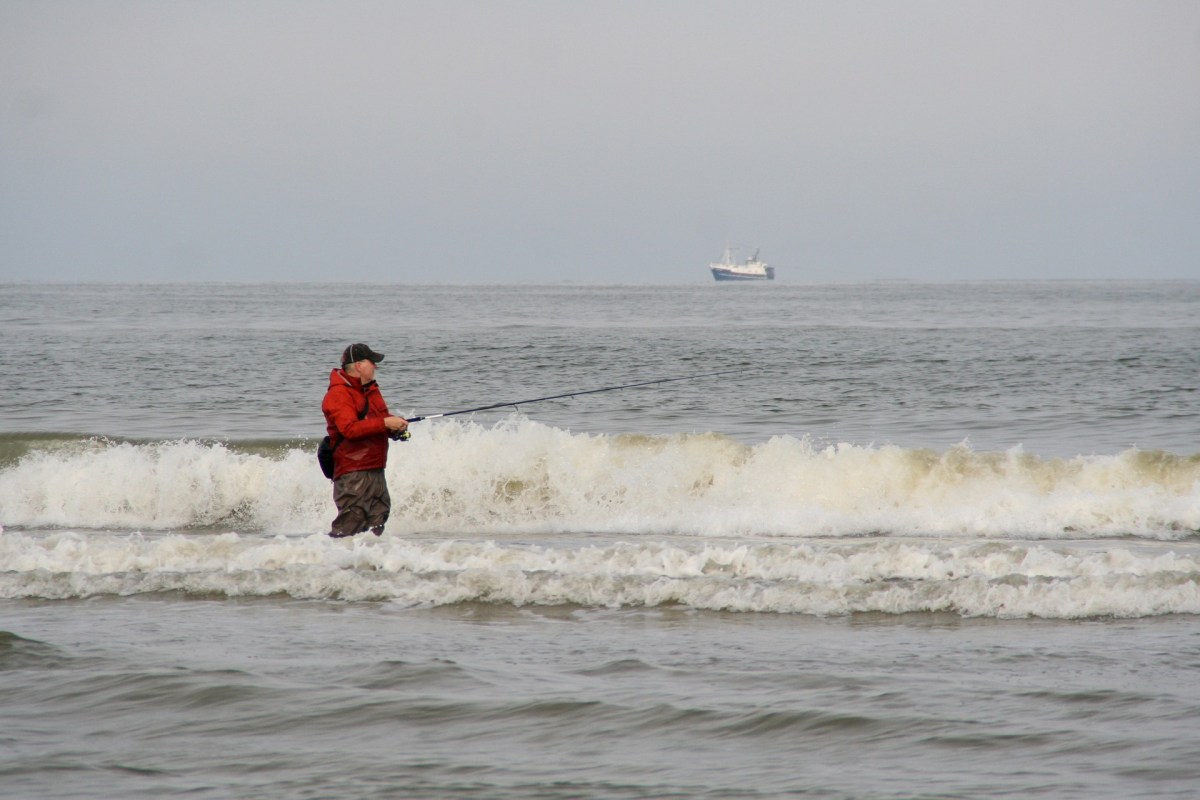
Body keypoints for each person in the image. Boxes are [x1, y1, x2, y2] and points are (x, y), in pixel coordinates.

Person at [321, 343, 409, 538]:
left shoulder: (370, 390)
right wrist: (386, 423)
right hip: (353, 471)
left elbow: (378, 421)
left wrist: (395, 429)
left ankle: (367, 564)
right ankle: (329, 562)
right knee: (351, 521)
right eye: (372, 363)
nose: (375, 367)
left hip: (375, 467)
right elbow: (350, 429)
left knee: (379, 518)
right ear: (359, 365)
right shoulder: (338, 394)